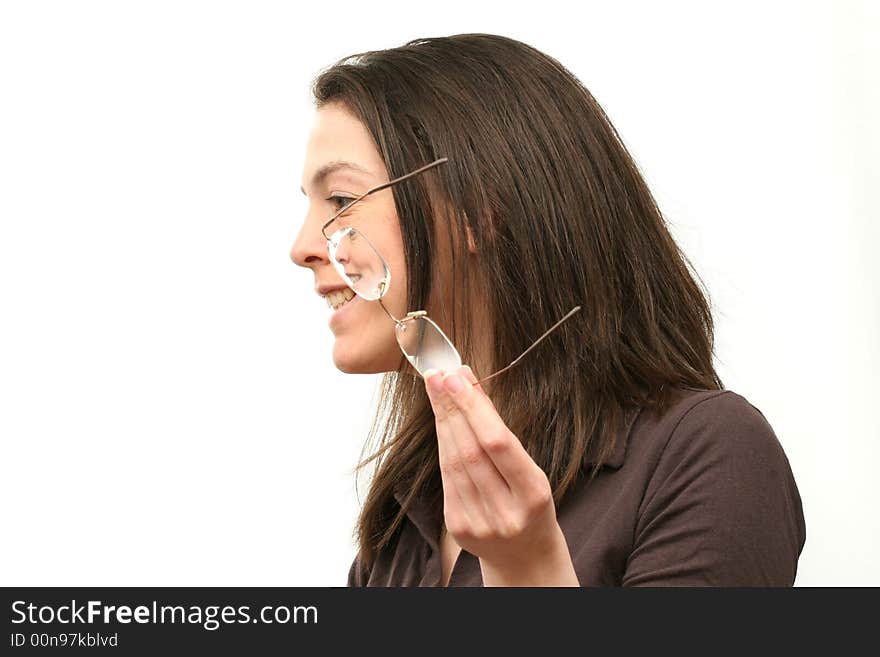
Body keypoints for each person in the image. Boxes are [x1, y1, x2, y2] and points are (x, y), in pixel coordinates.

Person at [290, 33, 806, 586]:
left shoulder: (708, 454)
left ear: (475, 208)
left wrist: (526, 569)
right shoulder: (409, 511)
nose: (302, 247)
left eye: (342, 201)